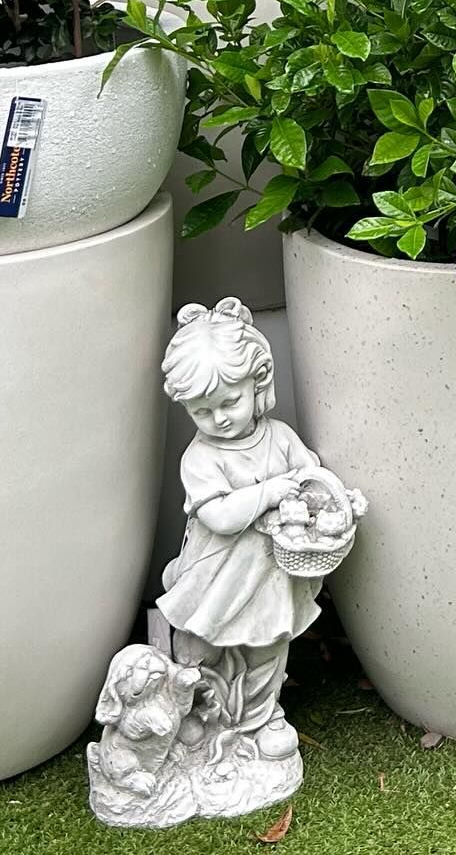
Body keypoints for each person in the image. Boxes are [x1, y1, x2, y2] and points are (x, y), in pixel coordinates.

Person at [158, 298, 321, 763]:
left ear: (259, 382)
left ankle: (261, 717)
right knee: (198, 648)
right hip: (216, 578)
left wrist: (326, 499)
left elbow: (311, 475)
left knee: (268, 646)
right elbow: (222, 517)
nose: (220, 418)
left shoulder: (280, 437)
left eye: (230, 401)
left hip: (268, 575)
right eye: (202, 411)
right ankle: (195, 711)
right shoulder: (201, 458)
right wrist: (271, 492)